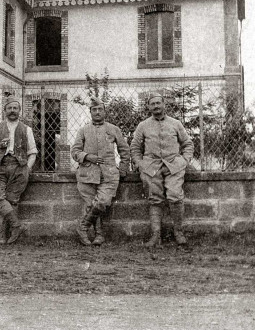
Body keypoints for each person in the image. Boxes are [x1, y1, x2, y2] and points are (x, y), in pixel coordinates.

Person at [130, 93, 194, 247]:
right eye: (152, 104)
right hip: (151, 167)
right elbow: (135, 147)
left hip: (173, 166)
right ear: (148, 107)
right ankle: (155, 236)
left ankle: (179, 233)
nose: (156, 106)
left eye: (159, 103)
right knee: (154, 199)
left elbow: (188, 144)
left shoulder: (175, 124)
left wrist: (184, 161)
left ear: (164, 104)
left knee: (175, 196)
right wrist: (140, 164)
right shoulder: (143, 125)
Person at [71, 97, 131, 245]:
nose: (97, 112)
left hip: (109, 174)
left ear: (105, 111)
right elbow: (74, 151)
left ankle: (82, 227)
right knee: (92, 205)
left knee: (102, 202)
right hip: (87, 174)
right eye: (94, 110)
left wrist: (123, 168)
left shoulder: (113, 129)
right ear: (90, 112)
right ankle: (99, 235)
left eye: (100, 109)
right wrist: (87, 156)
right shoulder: (83, 130)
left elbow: (124, 150)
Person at [0, 96, 37, 245]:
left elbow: (32, 152)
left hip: (18, 167)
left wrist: (27, 169)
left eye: (15, 108)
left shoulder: (27, 129)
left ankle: (2, 235)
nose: (12, 111)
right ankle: (17, 225)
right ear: (4, 110)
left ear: (19, 111)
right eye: (9, 108)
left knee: (12, 201)